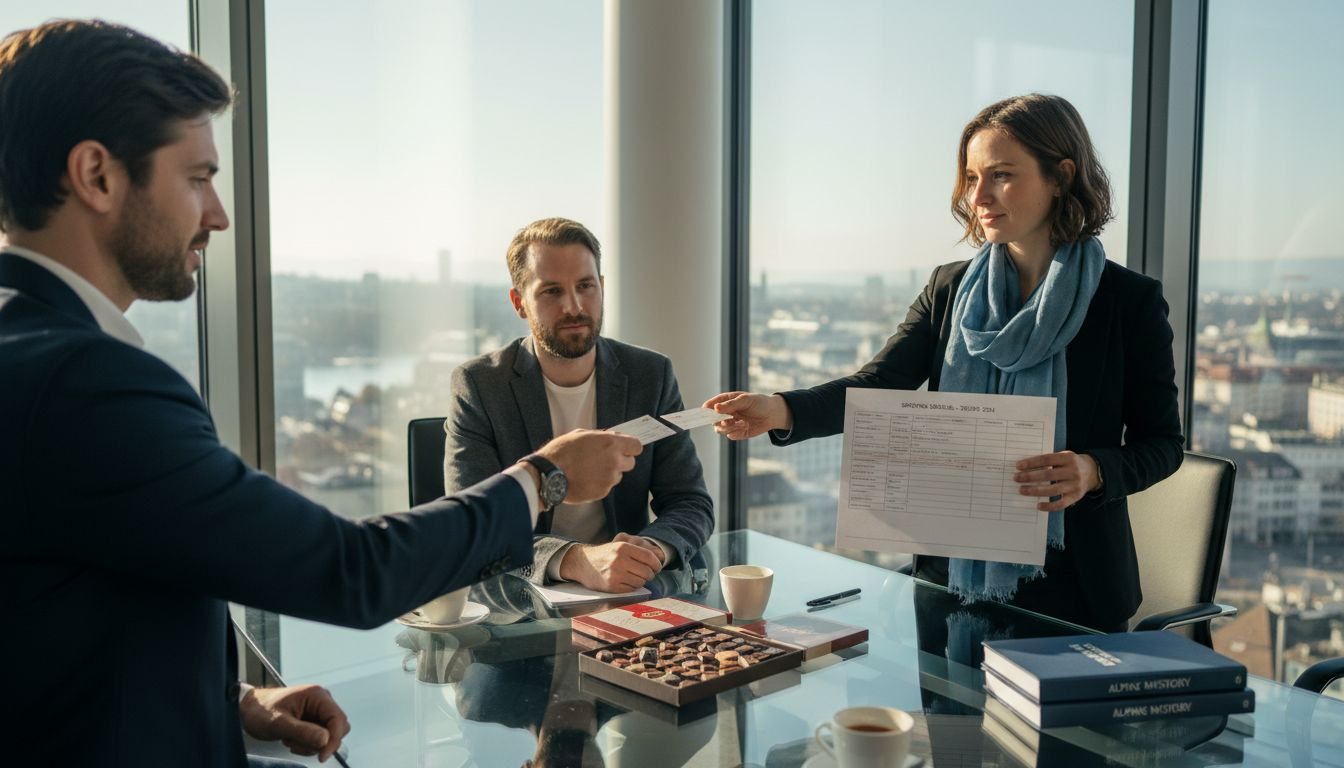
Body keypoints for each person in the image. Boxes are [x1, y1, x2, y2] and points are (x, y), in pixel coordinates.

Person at [0, 20, 642, 767]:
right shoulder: (89, 382)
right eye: (198, 178)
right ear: (97, 175)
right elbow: (353, 571)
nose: (218, 214)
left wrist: (237, 702)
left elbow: (70, 616)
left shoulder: (32, 355)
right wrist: (545, 476)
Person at [706, 94, 1183, 632]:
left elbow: (1163, 444)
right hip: (948, 578)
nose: (978, 196)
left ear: (1061, 177)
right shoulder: (949, 289)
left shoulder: (1127, 302)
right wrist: (779, 409)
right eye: (972, 178)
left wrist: (1093, 470)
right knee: (943, 697)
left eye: (1001, 175)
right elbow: (881, 383)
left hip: (1075, 586)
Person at [444, 217, 714, 593]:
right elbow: (474, 525)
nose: (573, 307)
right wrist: (575, 560)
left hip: (628, 592)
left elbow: (690, 501)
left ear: (601, 287)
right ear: (520, 303)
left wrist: (650, 551)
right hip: (521, 598)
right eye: (552, 291)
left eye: (585, 286)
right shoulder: (480, 385)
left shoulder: (650, 375)